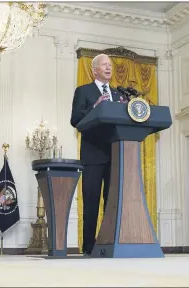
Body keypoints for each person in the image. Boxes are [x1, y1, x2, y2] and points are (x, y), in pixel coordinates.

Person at [70, 53, 126, 255]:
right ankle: (89, 246)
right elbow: (75, 119)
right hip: (93, 155)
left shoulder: (118, 95)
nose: (108, 67)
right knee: (92, 202)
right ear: (94, 70)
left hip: (115, 155)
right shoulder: (83, 91)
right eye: (104, 65)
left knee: (112, 201)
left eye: (110, 64)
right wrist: (95, 107)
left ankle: (109, 242)